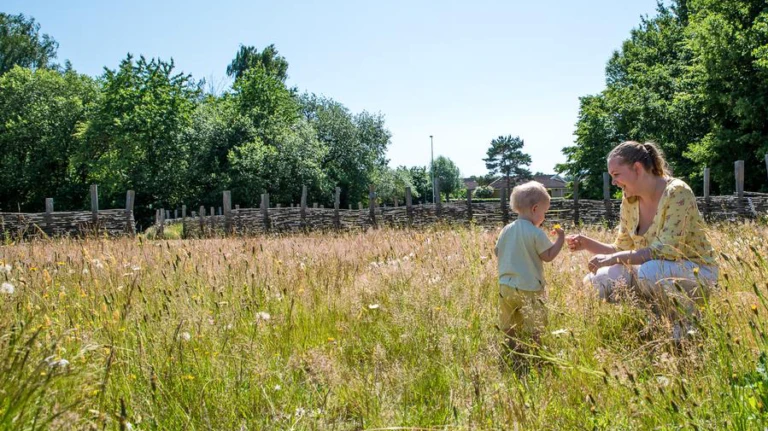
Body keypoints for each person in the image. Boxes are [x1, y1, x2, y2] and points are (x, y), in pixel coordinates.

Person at [566, 141, 718, 335]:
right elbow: (621, 248)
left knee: (650, 271)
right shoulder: (629, 200)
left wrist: (613, 259)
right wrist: (587, 243)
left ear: (637, 168)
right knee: (598, 280)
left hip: (696, 271)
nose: (614, 182)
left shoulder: (677, 192)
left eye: (616, 174)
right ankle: (655, 320)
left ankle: (687, 324)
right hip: (655, 271)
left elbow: (667, 250)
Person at [495, 181, 565, 354]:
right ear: (535, 209)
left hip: (505, 286)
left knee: (509, 322)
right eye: (544, 212)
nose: (544, 217)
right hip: (530, 288)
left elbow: (497, 251)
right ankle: (536, 352)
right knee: (536, 324)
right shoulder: (535, 233)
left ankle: (511, 349)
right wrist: (560, 240)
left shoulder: (506, 229)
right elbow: (547, 256)